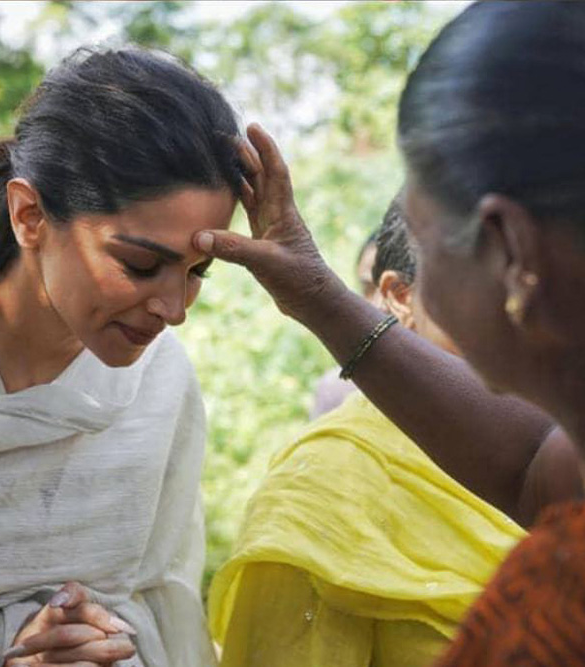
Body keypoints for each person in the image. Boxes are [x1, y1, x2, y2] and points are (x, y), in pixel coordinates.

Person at [191, 3, 585, 663]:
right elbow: (532, 467)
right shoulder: (333, 480)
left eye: (424, 238)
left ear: (510, 248)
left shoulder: (552, 604)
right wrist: (320, 298)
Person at [0, 46, 249, 667]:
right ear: (29, 215)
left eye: (199, 271)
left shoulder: (163, 380)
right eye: (140, 265)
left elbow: (159, 596)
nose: (174, 309)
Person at [208, 196, 525, 667]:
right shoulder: (324, 491)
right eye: (484, 284)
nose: (519, 309)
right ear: (399, 296)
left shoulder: (563, 450)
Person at [308, 228, 379, 418]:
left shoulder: (456, 383)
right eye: (369, 288)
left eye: (396, 288)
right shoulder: (337, 390)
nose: (380, 303)